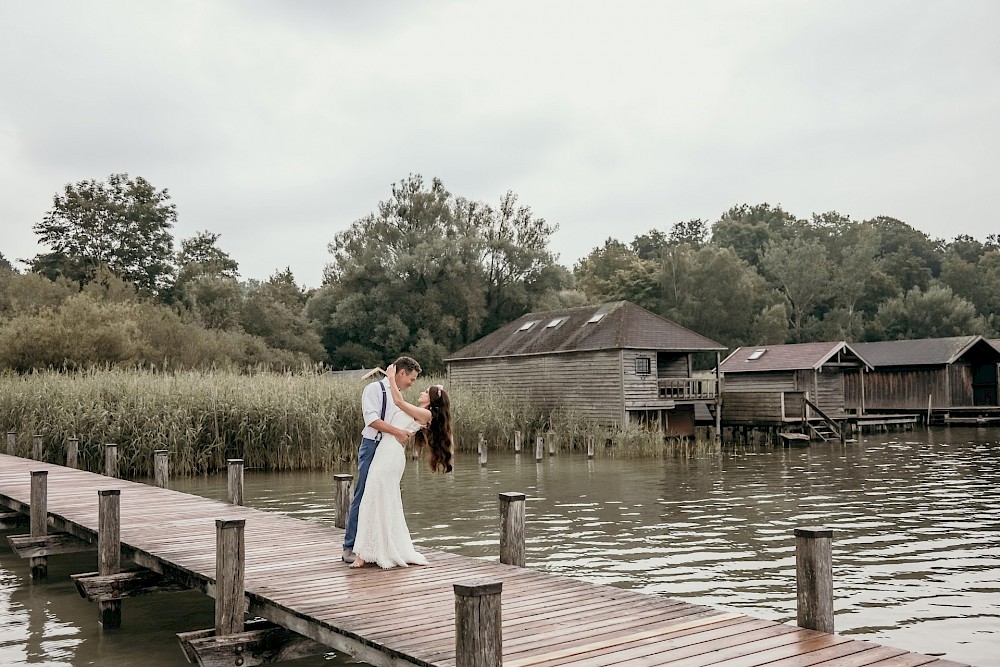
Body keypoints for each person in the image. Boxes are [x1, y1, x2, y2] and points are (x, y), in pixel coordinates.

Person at [350, 363, 453, 569]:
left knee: (374, 497)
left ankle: (365, 553)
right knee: (375, 498)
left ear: (431, 400)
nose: (421, 391)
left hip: (390, 456)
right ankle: (368, 550)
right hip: (384, 453)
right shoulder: (418, 410)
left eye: (425, 392)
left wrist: (390, 377)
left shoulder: (426, 414)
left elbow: (397, 401)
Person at [342, 356, 422, 564]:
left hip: (389, 451)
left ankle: (377, 547)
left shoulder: (399, 397)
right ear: (401, 373)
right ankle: (350, 546)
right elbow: (372, 420)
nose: (412, 384)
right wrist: (398, 432)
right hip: (372, 446)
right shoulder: (374, 390)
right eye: (411, 379)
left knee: (384, 497)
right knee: (364, 493)